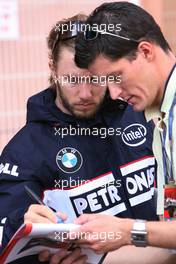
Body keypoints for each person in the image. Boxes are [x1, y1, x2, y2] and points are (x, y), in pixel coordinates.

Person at [0, 13, 159, 264]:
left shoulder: (138, 114)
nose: (85, 93)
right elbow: (5, 238)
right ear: (53, 69)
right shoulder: (24, 152)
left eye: (95, 79)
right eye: (73, 80)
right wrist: (17, 224)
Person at [73, 1, 176, 253]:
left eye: (116, 77)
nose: (115, 93)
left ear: (145, 51)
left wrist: (128, 231)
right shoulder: (162, 117)